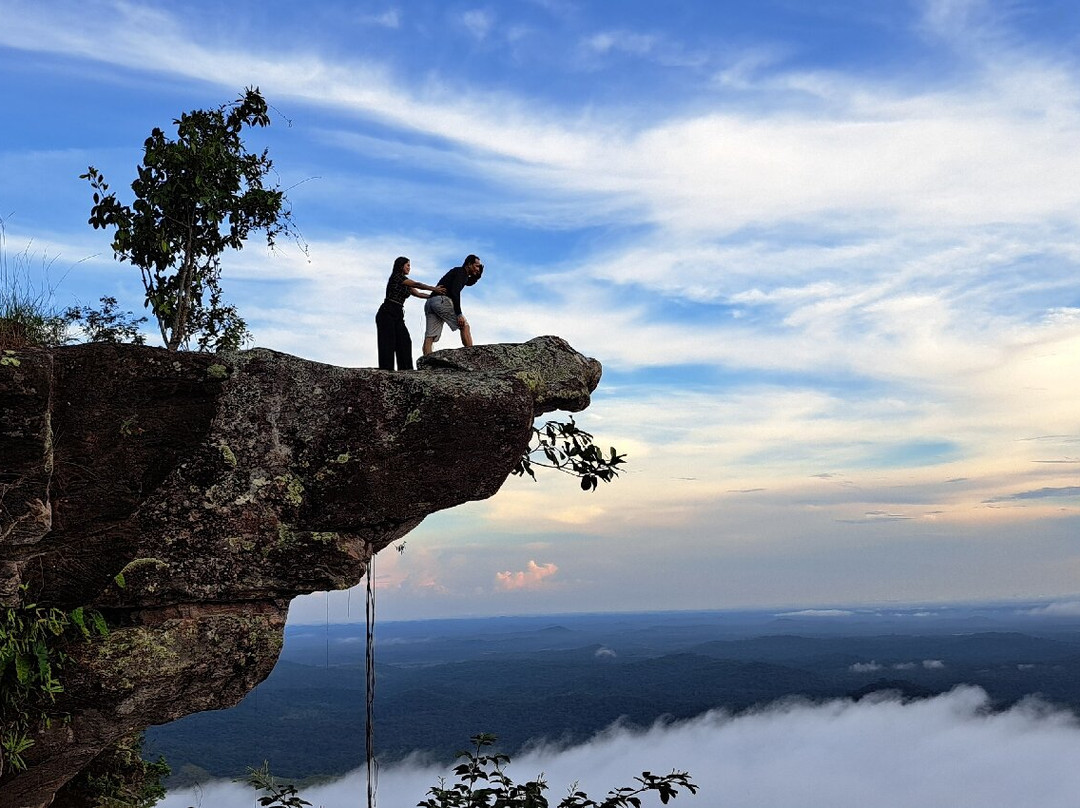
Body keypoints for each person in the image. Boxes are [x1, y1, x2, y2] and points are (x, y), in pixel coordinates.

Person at [376, 256, 444, 370]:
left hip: (398, 313)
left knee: (405, 341)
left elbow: (419, 294)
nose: (409, 268)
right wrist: (434, 289)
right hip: (387, 312)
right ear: (401, 266)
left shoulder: (406, 283)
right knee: (388, 342)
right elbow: (417, 284)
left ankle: (406, 371)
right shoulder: (397, 277)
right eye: (407, 265)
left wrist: (434, 296)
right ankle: (386, 371)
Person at [422, 254, 484, 356]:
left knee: (430, 336)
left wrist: (477, 275)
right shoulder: (461, 272)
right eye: (477, 266)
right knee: (464, 326)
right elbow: (455, 292)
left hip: (431, 302)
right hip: (442, 300)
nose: (478, 268)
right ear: (469, 264)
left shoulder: (459, 273)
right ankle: (471, 357)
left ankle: (426, 360)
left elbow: (468, 282)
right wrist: (459, 314)